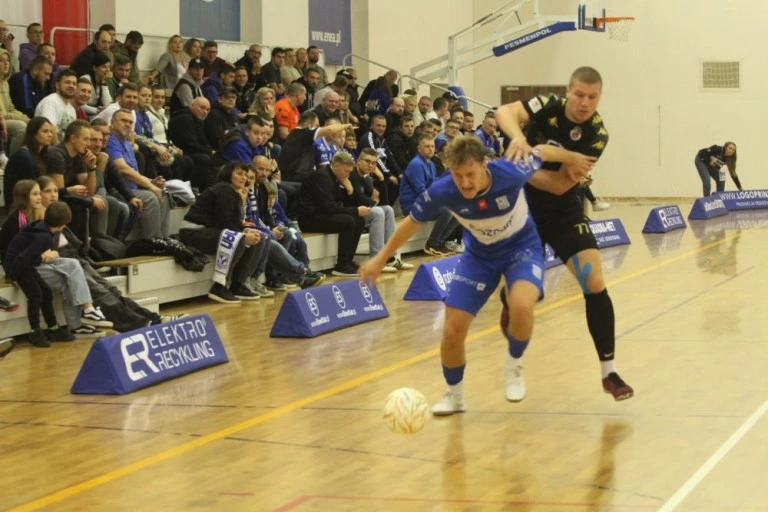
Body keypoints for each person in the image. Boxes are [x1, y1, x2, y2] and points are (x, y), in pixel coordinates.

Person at [359, 135, 586, 415]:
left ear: (485, 165)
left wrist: (572, 157)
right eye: (457, 175)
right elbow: (411, 223)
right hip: (478, 257)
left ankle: (514, 365)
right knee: (452, 330)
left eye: (470, 174)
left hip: (521, 248)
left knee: (521, 305)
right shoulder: (442, 190)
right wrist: (380, 259)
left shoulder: (511, 171)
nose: (465, 182)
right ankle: (454, 396)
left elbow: (543, 151)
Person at [494, 66, 634, 401]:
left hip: (563, 211)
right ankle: (509, 300)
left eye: (593, 97)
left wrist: (520, 165)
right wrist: (518, 139)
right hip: (523, 213)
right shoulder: (548, 104)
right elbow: (504, 112)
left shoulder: (597, 135)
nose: (585, 103)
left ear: (599, 97)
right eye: (579, 95)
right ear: (568, 91)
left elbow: (559, 186)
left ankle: (609, 373)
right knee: (524, 298)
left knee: (594, 282)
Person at [2, 201, 76, 348]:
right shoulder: (43, 237)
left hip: (25, 265)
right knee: (36, 295)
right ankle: (35, 330)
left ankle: (53, 327)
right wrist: (12, 275)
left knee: (46, 293)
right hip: (18, 267)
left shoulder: (42, 227)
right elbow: (23, 257)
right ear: (62, 225)